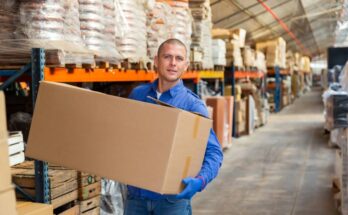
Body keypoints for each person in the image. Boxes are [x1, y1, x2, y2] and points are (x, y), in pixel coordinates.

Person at [126, 38, 223, 215]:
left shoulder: (192, 105)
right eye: (167, 57)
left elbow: (214, 152)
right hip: (136, 199)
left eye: (179, 58)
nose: (173, 63)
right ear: (156, 61)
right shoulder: (138, 95)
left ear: (186, 65)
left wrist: (200, 180)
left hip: (171, 202)